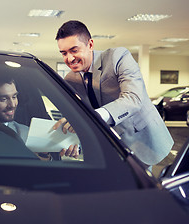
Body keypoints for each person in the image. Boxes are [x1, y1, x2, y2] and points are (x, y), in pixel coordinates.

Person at [54, 20, 173, 166]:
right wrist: (74, 141)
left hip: (146, 142)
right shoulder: (70, 79)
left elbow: (133, 98)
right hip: (110, 150)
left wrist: (95, 117)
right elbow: (79, 116)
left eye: (74, 50)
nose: (69, 58)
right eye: (64, 53)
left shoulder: (118, 57)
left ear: (90, 44)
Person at [0, 73, 79, 160]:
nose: (12, 105)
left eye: (14, 96)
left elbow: (43, 170)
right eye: (3, 99)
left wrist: (46, 156)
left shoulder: (26, 132)